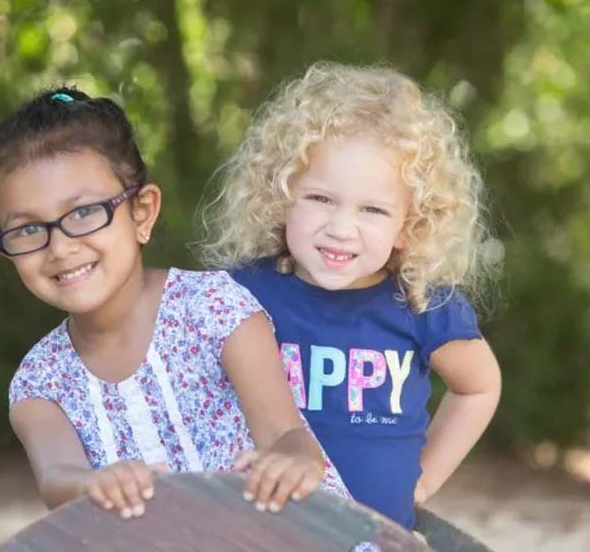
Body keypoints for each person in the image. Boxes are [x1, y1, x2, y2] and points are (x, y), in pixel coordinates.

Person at [0, 87, 348, 521]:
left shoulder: (212, 308)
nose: (60, 248)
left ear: (142, 212)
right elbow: (58, 476)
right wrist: (90, 485)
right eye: (26, 230)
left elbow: (285, 434)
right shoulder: (41, 381)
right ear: (5, 249)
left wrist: (293, 462)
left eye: (83, 213)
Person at [197, 62, 502, 530]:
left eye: (374, 210)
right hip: (259, 533)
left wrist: (422, 482)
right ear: (281, 196)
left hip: (376, 537)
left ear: (410, 225)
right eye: (321, 199)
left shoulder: (422, 305)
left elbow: (478, 386)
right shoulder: (238, 295)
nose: (341, 229)